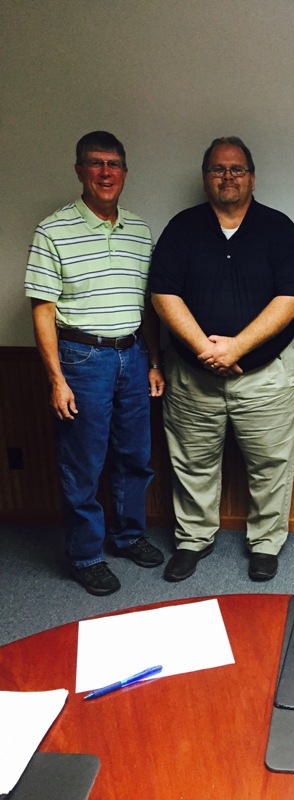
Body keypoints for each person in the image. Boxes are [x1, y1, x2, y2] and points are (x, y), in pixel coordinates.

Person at [149, 136, 294, 583]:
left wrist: (236, 347)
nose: (228, 177)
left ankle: (265, 544)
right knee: (192, 463)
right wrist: (207, 349)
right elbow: (163, 294)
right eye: (218, 169)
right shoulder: (182, 228)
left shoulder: (278, 228)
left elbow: (293, 298)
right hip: (192, 377)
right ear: (206, 178)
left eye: (237, 169)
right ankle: (193, 539)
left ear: (252, 178)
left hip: (266, 378)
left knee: (270, 465)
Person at [24, 131, 165, 596]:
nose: (106, 173)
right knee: (83, 462)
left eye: (114, 164)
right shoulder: (52, 230)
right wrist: (56, 379)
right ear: (79, 170)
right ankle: (86, 555)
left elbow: (147, 306)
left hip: (133, 354)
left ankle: (128, 536)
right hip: (82, 358)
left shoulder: (140, 231)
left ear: (125, 172)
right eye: (96, 163)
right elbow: (42, 310)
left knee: (134, 455)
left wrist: (154, 361)